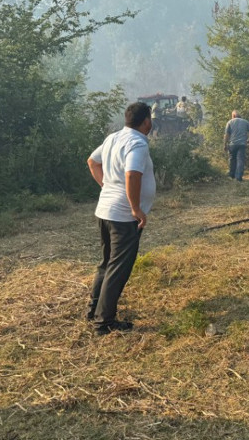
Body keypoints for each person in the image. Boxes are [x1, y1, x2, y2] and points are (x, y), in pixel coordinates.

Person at [85, 102, 156, 336]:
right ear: (146, 121)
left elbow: (92, 162)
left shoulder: (113, 138)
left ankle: (94, 310)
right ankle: (103, 322)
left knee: (107, 263)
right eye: (150, 119)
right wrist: (135, 208)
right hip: (123, 217)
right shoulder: (137, 143)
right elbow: (132, 174)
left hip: (105, 211)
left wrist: (107, 187)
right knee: (118, 268)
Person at [224, 110, 249, 182]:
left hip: (232, 144)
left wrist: (225, 144)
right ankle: (239, 177)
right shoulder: (246, 122)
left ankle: (232, 175)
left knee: (232, 159)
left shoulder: (230, 122)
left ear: (233, 116)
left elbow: (227, 135)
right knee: (240, 160)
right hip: (242, 144)